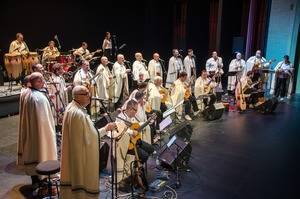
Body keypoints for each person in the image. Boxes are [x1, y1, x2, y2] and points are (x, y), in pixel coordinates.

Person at [60, 85, 116, 199]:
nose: (89, 96)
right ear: (77, 96)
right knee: (80, 177)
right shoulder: (79, 114)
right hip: (80, 155)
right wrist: (106, 129)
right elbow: (91, 137)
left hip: (75, 151)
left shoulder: (72, 107)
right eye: (86, 94)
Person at [17, 72, 57, 187]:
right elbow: (43, 120)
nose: (43, 83)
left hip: (32, 133)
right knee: (39, 153)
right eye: (40, 81)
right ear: (34, 82)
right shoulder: (37, 98)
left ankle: (37, 180)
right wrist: (49, 133)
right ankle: (41, 180)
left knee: (33, 154)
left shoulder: (26, 93)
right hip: (39, 133)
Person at [115, 99, 154, 185]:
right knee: (144, 155)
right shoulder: (120, 117)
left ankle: (136, 167)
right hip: (126, 145)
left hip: (134, 141)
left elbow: (136, 125)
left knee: (151, 149)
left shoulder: (132, 118)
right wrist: (132, 132)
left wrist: (147, 122)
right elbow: (119, 129)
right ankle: (134, 171)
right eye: (135, 110)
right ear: (129, 109)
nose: (136, 112)